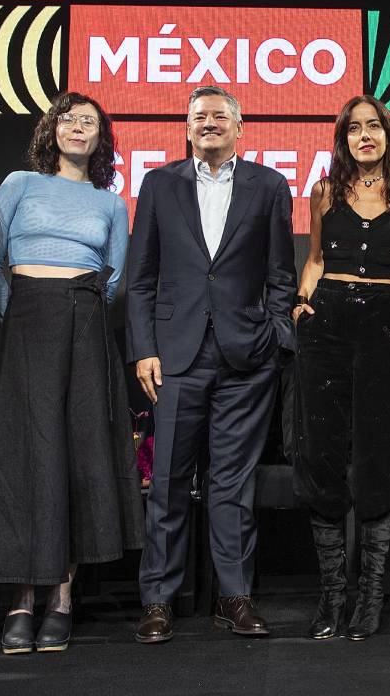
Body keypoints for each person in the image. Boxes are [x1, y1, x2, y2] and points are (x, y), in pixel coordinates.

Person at [0, 92, 145, 654]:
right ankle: (22, 599)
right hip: (28, 318)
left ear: (101, 138)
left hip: (85, 319)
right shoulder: (18, 184)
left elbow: (115, 277)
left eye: (90, 122)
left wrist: (76, 308)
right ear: (52, 129)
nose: (79, 128)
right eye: (69, 119)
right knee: (28, 456)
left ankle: (64, 598)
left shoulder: (111, 203)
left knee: (79, 454)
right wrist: (22, 312)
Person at [126, 85, 296, 643]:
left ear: (239, 127)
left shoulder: (269, 186)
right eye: (199, 116)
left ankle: (234, 597)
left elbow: (279, 275)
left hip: (246, 359)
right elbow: (141, 277)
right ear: (187, 127)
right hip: (174, 358)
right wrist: (145, 349)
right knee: (169, 483)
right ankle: (158, 600)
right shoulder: (158, 183)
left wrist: (276, 337)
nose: (208, 123)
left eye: (219, 115)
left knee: (232, 486)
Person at [292, 95, 390, 641]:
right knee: (322, 453)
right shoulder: (324, 191)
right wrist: (302, 304)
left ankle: (370, 597)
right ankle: (331, 598)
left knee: (378, 457)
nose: (364, 135)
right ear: (343, 138)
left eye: (373, 127)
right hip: (326, 325)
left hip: (385, 328)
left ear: (388, 135)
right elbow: (317, 257)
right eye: (354, 128)